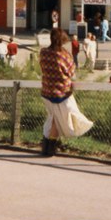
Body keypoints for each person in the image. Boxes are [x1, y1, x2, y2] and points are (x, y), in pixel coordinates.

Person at [38, 28, 93, 156]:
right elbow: (71, 72)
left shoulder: (44, 52)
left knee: (53, 118)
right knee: (63, 118)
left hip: (46, 92)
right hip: (62, 93)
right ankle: (50, 148)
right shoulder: (65, 55)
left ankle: (46, 147)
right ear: (62, 41)